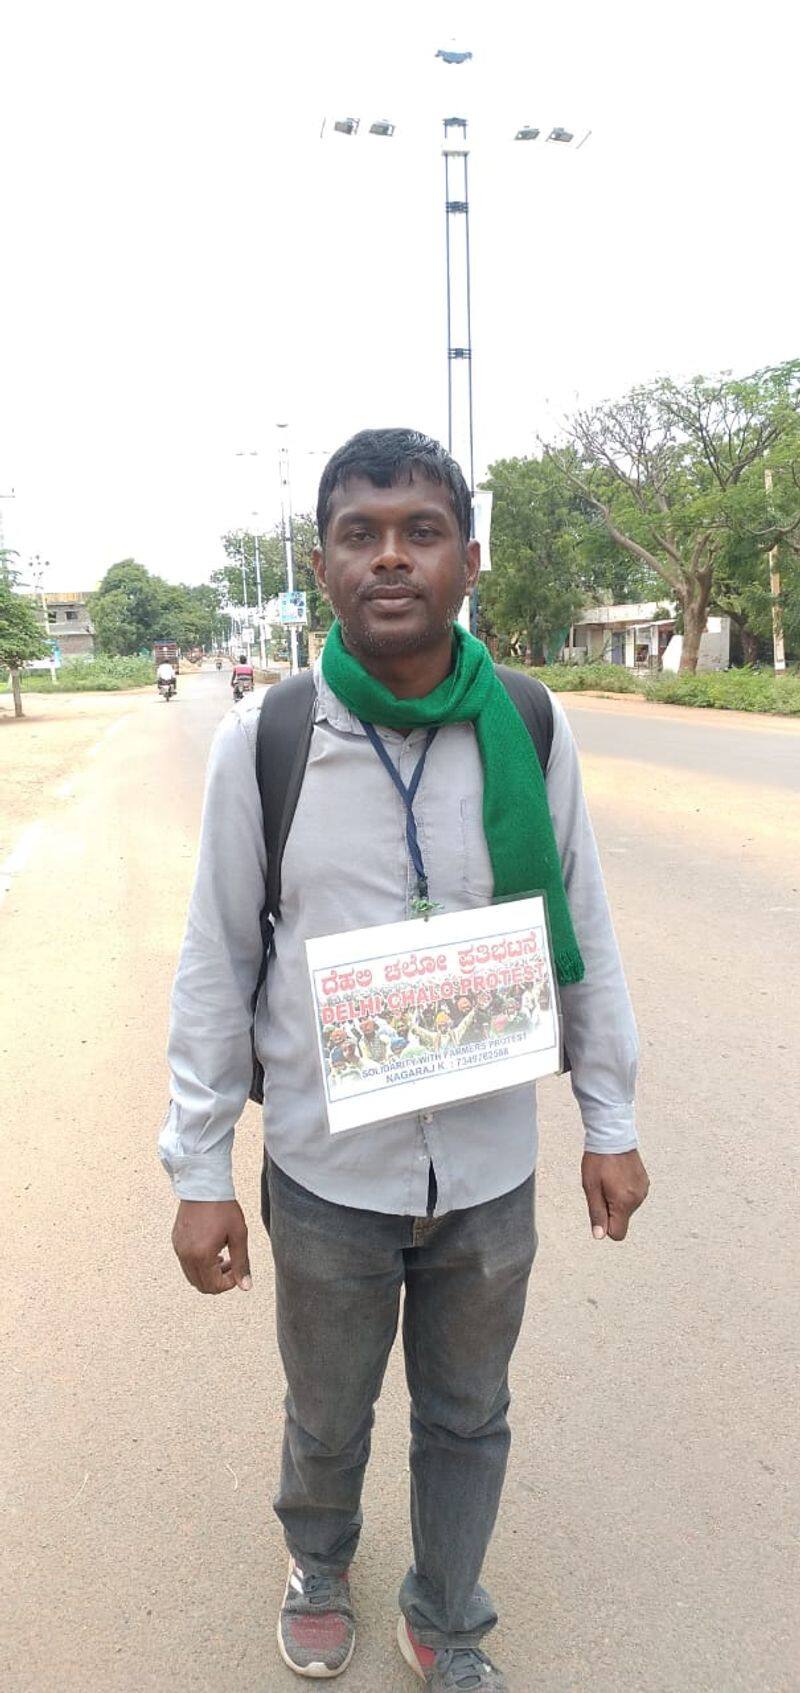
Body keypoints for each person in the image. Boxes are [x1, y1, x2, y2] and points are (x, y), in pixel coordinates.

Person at [160, 428, 649, 1691]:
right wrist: (199, 1166)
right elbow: (216, 961)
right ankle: (318, 1561)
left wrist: (607, 1117)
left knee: (467, 1413)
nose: (390, 556)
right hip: (329, 1168)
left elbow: (579, 927)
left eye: (419, 531)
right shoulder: (268, 742)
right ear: (322, 566)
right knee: (327, 1415)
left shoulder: (528, 728)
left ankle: (445, 1612)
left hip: (486, 1163)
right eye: (360, 533)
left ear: (466, 560)